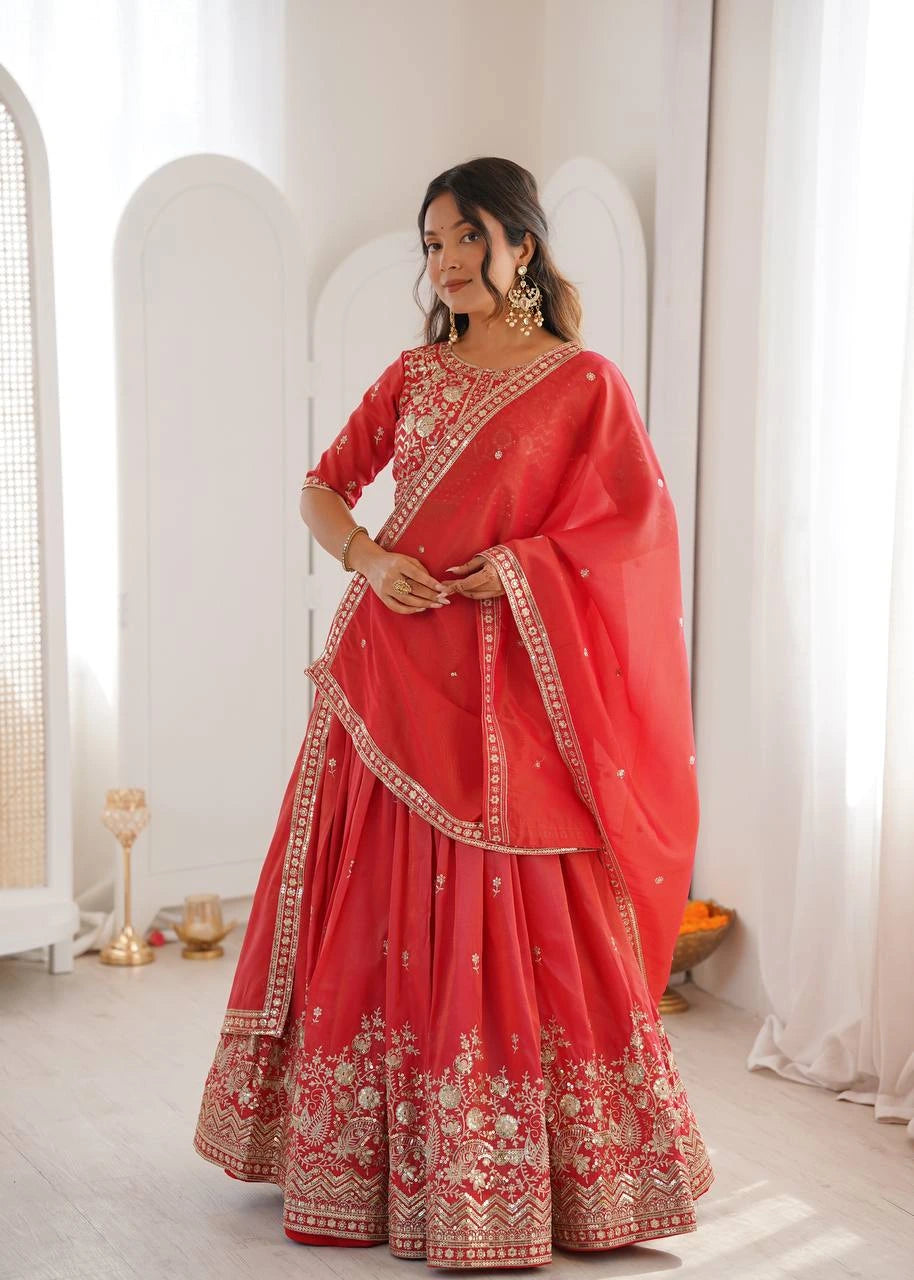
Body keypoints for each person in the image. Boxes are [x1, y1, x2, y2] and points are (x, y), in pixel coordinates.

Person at [193, 156, 713, 1269]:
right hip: (386, 680)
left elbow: (630, 533)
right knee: (366, 914)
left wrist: (523, 564)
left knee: (528, 906)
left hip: (509, 692)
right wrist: (371, 560)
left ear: (520, 242)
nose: (450, 262)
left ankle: (535, 1173)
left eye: (467, 237)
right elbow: (320, 487)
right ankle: (363, 1158)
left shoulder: (583, 386)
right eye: (432, 245)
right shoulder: (414, 374)